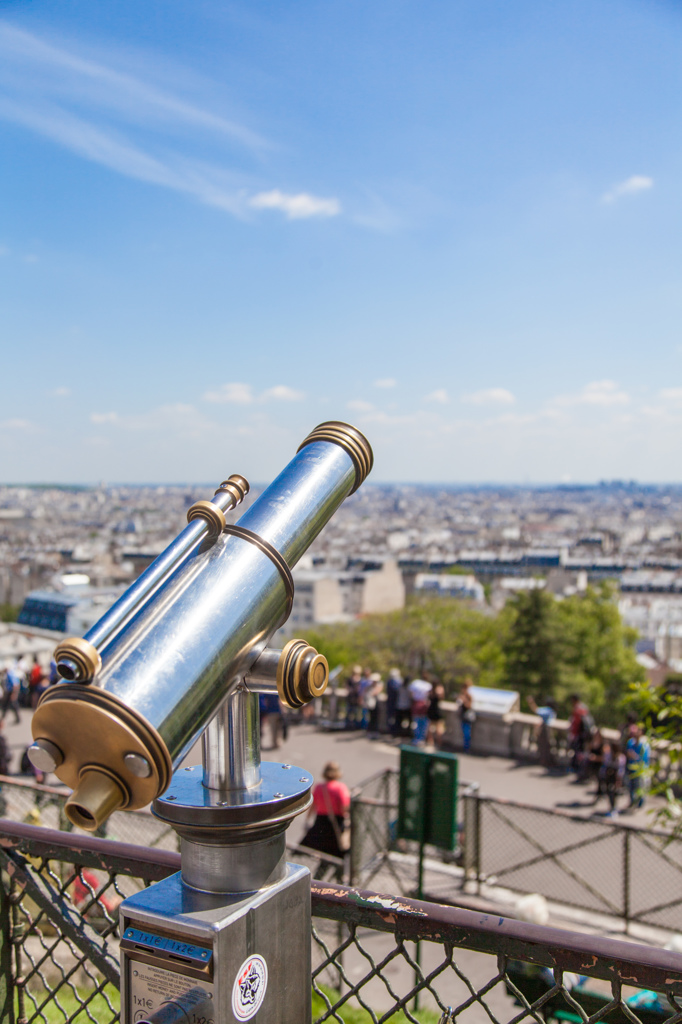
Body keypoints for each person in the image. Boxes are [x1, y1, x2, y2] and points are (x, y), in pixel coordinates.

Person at [301, 761, 351, 859]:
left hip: (320, 822)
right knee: (338, 852)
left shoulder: (319, 787)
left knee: (320, 849)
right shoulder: (340, 788)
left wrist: (307, 820)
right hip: (336, 822)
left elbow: (313, 806)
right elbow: (345, 807)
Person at [625, 724, 650, 810]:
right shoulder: (630, 742)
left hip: (640, 769)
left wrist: (634, 756)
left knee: (640, 786)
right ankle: (632, 802)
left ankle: (640, 804)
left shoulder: (644, 745)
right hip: (631, 767)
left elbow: (644, 758)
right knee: (631, 786)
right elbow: (627, 753)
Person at [527, 696, 557, 768]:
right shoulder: (553, 711)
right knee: (547, 745)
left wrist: (531, 702)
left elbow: (536, 710)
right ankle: (547, 761)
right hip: (549, 729)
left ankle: (544, 761)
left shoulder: (547, 710)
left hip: (545, 728)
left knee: (543, 745)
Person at [568, 694, 593, 777]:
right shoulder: (583, 707)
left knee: (579, 752)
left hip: (580, 734)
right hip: (581, 734)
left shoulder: (579, 708)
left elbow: (577, 722)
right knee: (577, 752)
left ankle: (579, 769)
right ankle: (578, 768)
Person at [599, 739, 626, 818]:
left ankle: (614, 808)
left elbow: (621, 770)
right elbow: (605, 764)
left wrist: (619, 780)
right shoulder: (608, 755)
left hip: (616, 778)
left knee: (614, 793)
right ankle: (611, 807)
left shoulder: (620, 758)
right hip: (608, 776)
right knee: (609, 792)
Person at [408, 677, 432, 745]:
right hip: (423, 703)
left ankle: (418, 738)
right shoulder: (427, 685)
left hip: (418, 703)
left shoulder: (416, 683)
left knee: (418, 722)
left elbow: (411, 693)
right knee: (421, 722)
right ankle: (420, 738)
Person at [458, 678, 476, 753]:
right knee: (464, 732)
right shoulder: (462, 695)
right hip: (462, 716)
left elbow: (469, 706)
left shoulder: (469, 696)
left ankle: (467, 748)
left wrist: (464, 701)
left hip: (467, 716)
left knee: (467, 733)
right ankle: (465, 747)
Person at [427, 681, 446, 748]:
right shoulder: (438, 690)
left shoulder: (431, 691)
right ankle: (438, 743)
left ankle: (430, 742)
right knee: (438, 728)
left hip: (431, 710)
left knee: (430, 728)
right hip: (436, 711)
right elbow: (441, 697)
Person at [385, 668, 402, 736]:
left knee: (393, 718)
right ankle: (393, 731)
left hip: (395, 703)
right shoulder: (393, 682)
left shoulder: (391, 682)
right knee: (392, 718)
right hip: (394, 703)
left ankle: (393, 730)